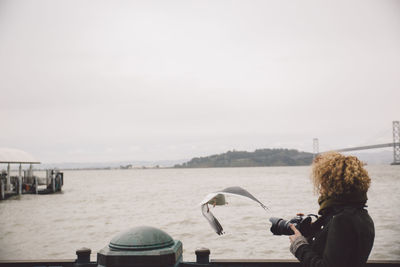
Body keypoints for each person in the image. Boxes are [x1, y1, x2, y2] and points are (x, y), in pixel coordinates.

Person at [289, 152, 375, 267]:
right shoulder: (361, 215)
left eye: (322, 184)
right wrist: (309, 231)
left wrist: (299, 246)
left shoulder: (342, 220)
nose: (320, 190)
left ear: (331, 185)